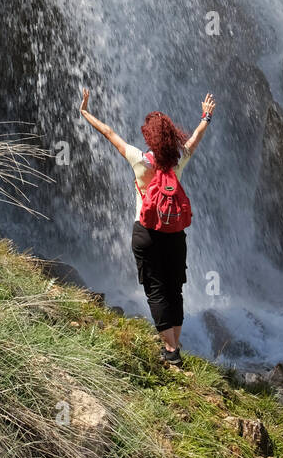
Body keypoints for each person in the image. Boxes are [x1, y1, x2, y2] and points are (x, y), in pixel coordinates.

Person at [79, 88, 216, 367]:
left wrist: (84, 111)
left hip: (146, 233)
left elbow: (109, 133)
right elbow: (195, 139)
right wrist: (206, 116)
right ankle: (174, 346)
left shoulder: (138, 159)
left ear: (149, 137)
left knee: (156, 290)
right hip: (175, 235)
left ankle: (171, 352)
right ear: (170, 136)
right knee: (174, 289)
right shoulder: (179, 160)